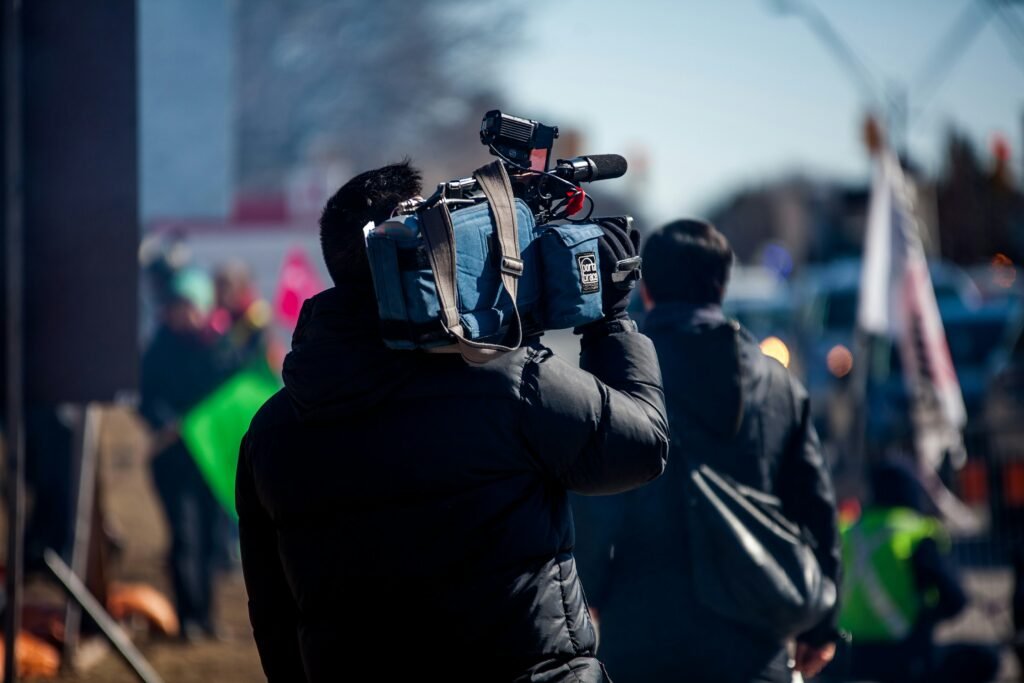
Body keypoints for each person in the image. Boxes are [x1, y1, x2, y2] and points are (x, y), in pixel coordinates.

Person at [235, 161, 669, 682]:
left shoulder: (271, 432)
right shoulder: (512, 384)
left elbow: (274, 619)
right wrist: (610, 323)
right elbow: (642, 446)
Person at [575, 219, 842, 682]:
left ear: (648, 288)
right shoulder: (778, 383)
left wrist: (589, 592)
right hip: (754, 630)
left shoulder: (623, 377)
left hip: (641, 627)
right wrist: (821, 627)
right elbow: (815, 508)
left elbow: (596, 502)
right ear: (721, 285)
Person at [839, 460, 1000, 683]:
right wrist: (926, 618)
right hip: (905, 658)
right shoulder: (915, 532)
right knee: (988, 658)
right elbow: (955, 599)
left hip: (849, 657)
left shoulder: (848, 532)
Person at [140, 268, 226, 641]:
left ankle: (207, 617)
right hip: (172, 459)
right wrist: (168, 423)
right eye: (177, 306)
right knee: (185, 538)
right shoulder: (159, 347)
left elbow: (230, 397)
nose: (183, 314)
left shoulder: (219, 347)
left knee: (211, 540)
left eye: (189, 306)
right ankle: (187, 618)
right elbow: (145, 398)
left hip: (210, 461)